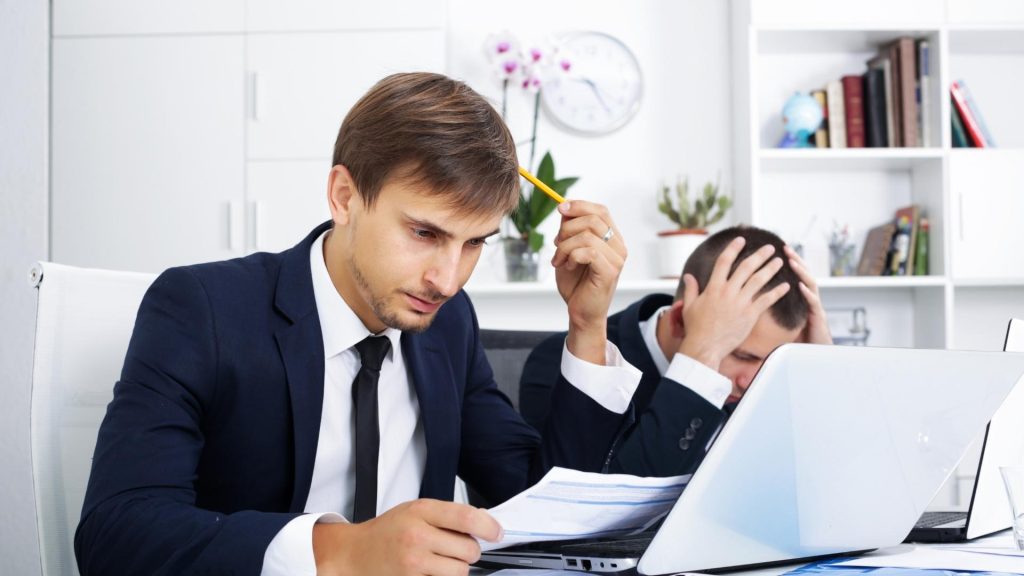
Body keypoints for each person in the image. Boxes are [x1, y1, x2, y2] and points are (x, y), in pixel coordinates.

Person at [74, 72, 639, 576]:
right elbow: (116, 535)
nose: (447, 279)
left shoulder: (449, 323)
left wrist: (587, 326)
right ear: (345, 196)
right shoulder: (203, 307)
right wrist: (340, 553)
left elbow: (538, 509)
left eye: (473, 244)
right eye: (424, 233)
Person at [520, 225, 833, 477]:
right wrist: (702, 355)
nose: (752, 381)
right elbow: (599, 522)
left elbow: (811, 486)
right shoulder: (563, 363)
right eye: (742, 355)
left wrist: (819, 371)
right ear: (682, 320)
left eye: (772, 360)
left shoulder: (763, 380)